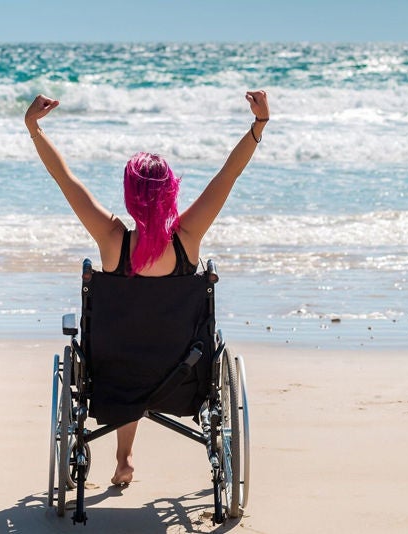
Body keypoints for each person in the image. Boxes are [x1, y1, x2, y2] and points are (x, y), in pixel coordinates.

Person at [25, 90, 270, 487]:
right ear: (171, 190)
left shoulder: (112, 239)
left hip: (113, 377)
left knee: (128, 347)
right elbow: (229, 174)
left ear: (130, 195)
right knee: (149, 348)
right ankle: (126, 456)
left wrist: (33, 128)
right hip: (183, 378)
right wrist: (258, 126)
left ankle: (123, 458)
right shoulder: (187, 237)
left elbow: (63, 178)